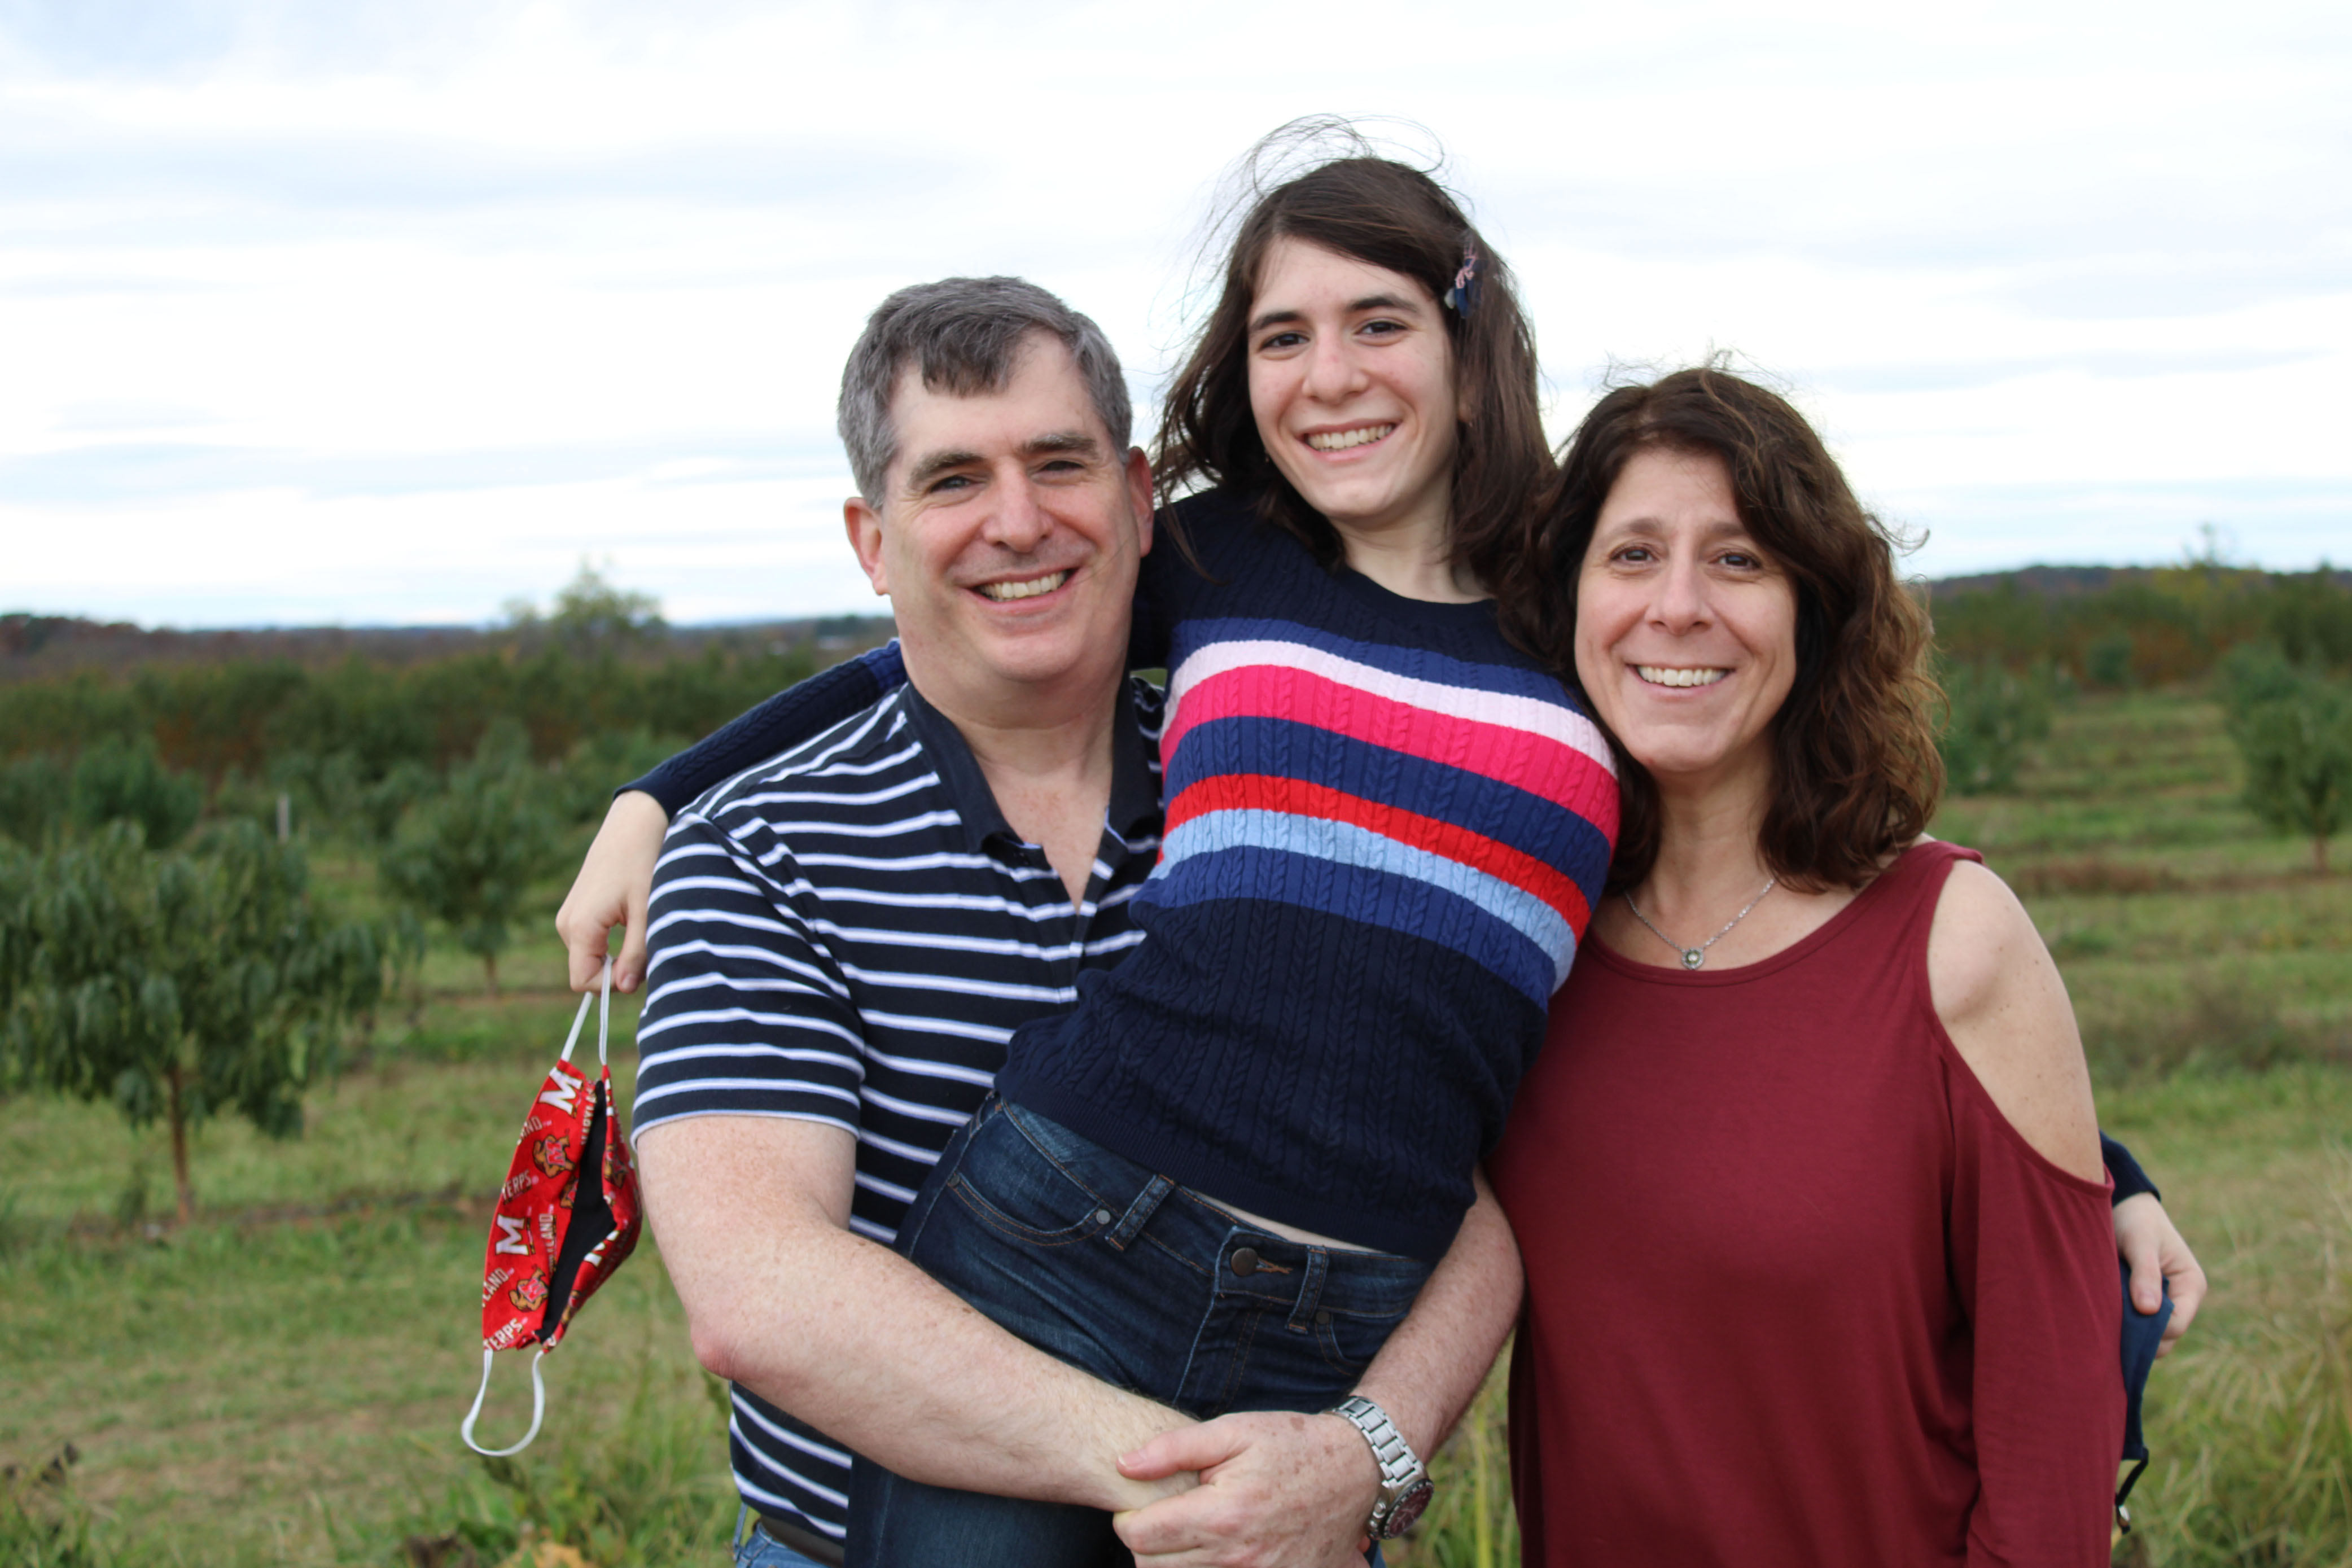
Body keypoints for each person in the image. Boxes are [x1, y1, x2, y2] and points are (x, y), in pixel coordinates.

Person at [562, 130, 2206, 1563]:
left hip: (1346, 1305)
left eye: (1378, 323)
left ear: (1468, 339)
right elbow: (949, 630)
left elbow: (1761, 897)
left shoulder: (1572, 598)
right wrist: (661, 792)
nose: (1333, 372)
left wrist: (2084, 1174)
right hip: (1065, 1227)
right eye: (1285, 333)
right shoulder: (1224, 557)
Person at [612, 273, 1522, 1568]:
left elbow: (1465, 1191)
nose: (1019, 522)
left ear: (1141, 499)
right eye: (951, 482)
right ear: (871, 542)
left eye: (1058, 464)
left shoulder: (1286, 796)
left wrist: (1359, 1456)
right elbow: (763, 1294)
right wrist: (1193, 1488)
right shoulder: (760, 853)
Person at [1489, 365, 2147, 1565]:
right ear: (1563, 601)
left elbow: (2051, 1458)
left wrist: (2114, 1188)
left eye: (1736, 560)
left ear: (1814, 607)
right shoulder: (1520, 942)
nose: (1676, 606)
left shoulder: (1952, 940)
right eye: (1630, 555)